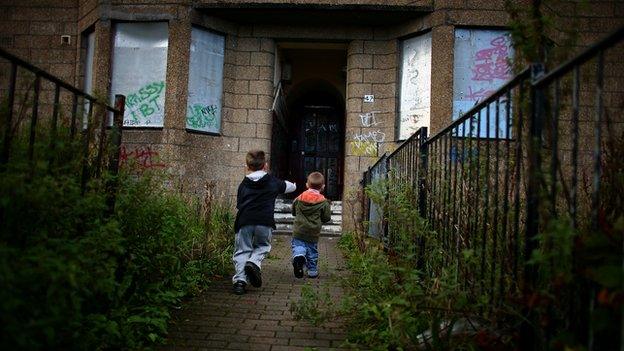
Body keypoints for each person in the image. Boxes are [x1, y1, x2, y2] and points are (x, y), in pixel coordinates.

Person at [232, 150, 296, 295]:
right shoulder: (272, 182)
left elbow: (239, 205)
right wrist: (294, 185)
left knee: (242, 250)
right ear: (265, 166)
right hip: (264, 221)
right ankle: (254, 263)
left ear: (247, 167)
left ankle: (240, 282)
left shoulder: (243, 184)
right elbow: (289, 186)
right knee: (262, 246)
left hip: (244, 221)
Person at [291, 171, 332, 279]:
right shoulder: (323, 202)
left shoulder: (299, 198)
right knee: (312, 251)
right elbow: (326, 217)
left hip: (299, 230)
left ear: (307, 185)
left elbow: (293, 211)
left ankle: (299, 257)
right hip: (313, 232)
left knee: (299, 246)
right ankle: (312, 271)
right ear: (323, 186)